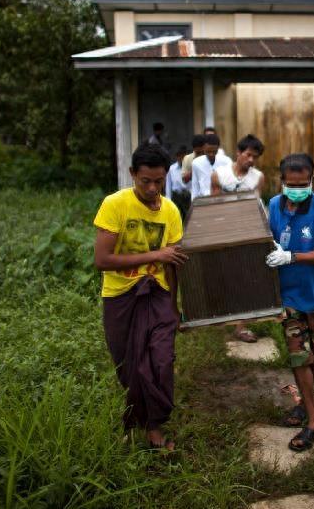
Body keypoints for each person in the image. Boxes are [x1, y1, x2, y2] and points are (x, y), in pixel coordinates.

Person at [93, 143, 188, 451]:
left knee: (160, 360)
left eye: (159, 181)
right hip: (121, 295)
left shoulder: (171, 211)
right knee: (130, 365)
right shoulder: (115, 204)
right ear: (132, 174)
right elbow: (103, 260)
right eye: (144, 180)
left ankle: (155, 427)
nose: (152, 187)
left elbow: (171, 265)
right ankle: (138, 421)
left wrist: (174, 307)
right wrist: (155, 253)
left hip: (157, 293)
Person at [265, 153, 314, 453]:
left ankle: (302, 403)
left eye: (303, 183)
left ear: (312, 180)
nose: (297, 189)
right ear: (281, 181)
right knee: (299, 356)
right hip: (289, 297)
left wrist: (292, 255)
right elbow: (267, 241)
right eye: (291, 184)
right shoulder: (274, 205)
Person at [210, 134, 267, 343]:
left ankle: (241, 327)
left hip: (247, 231)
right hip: (224, 230)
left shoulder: (257, 177)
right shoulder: (219, 175)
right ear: (239, 153)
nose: (251, 160)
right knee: (225, 276)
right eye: (248, 155)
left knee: (247, 276)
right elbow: (212, 206)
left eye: (255, 157)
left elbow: (258, 205)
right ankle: (222, 315)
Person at [190, 133, 231, 200]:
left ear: (218, 148)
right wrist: (193, 203)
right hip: (203, 200)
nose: (211, 154)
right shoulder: (196, 163)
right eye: (208, 151)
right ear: (203, 148)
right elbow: (195, 186)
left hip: (222, 200)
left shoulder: (227, 161)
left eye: (214, 151)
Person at [165, 145, 191, 219]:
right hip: (176, 197)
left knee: (189, 218)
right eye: (179, 156)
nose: (181, 158)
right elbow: (168, 186)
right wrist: (168, 201)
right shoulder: (171, 169)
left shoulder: (191, 168)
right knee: (177, 218)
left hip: (188, 197)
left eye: (183, 156)